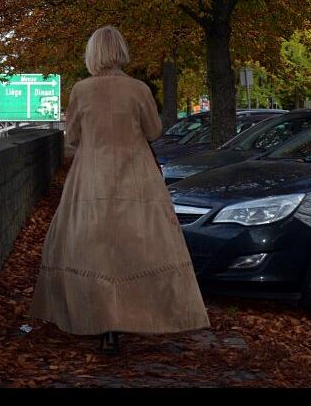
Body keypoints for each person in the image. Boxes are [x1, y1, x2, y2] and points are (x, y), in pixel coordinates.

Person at [28, 25, 209, 355]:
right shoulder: (138, 89)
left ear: (92, 54)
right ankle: (142, 314)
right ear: (121, 52)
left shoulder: (81, 90)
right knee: (139, 243)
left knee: (92, 245)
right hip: (135, 175)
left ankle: (100, 321)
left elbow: (72, 137)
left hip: (91, 176)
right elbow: (154, 131)